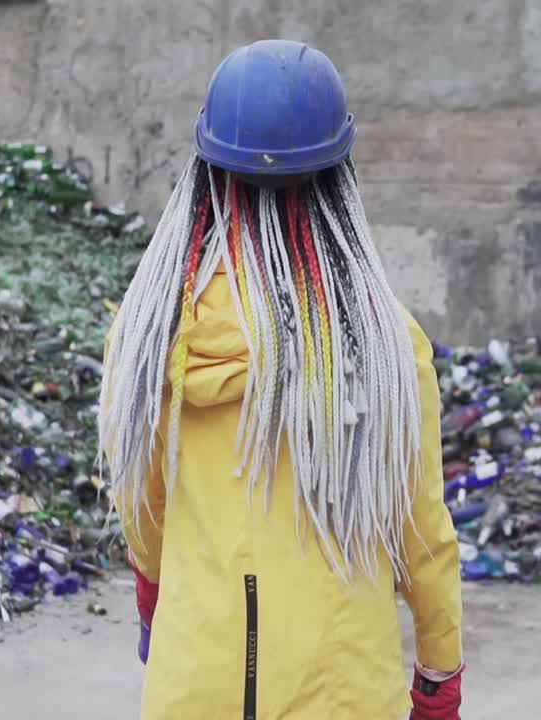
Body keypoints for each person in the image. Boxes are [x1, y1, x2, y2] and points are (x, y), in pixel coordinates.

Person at [98, 39, 465, 720]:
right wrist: (439, 676)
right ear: (339, 179)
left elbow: (143, 505)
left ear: (205, 172)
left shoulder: (154, 333)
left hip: (194, 685)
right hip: (342, 691)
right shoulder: (384, 346)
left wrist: (154, 596)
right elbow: (423, 537)